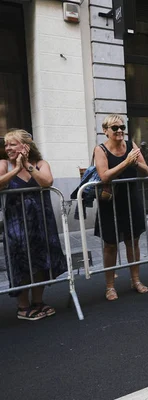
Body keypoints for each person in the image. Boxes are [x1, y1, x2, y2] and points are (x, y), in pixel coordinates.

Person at [0, 129, 67, 320]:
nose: (8, 148)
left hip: (41, 221)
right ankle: (23, 307)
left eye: (12, 144)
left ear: (26, 146)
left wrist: (27, 165)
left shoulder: (40, 164)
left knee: (41, 260)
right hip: (16, 224)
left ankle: (38, 302)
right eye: (6, 145)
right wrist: (15, 169)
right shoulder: (3, 164)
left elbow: (46, 182)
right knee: (21, 262)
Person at [95, 114, 148, 301]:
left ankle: (136, 280)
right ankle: (110, 286)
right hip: (110, 202)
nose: (119, 131)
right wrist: (127, 163)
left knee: (133, 241)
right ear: (105, 131)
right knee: (110, 245)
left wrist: (137, 164)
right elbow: (104, 176)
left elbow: (146, 171)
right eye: (115, 128)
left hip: (130, 199)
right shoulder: (100, 149)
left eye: (122, 127)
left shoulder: (131, 146)